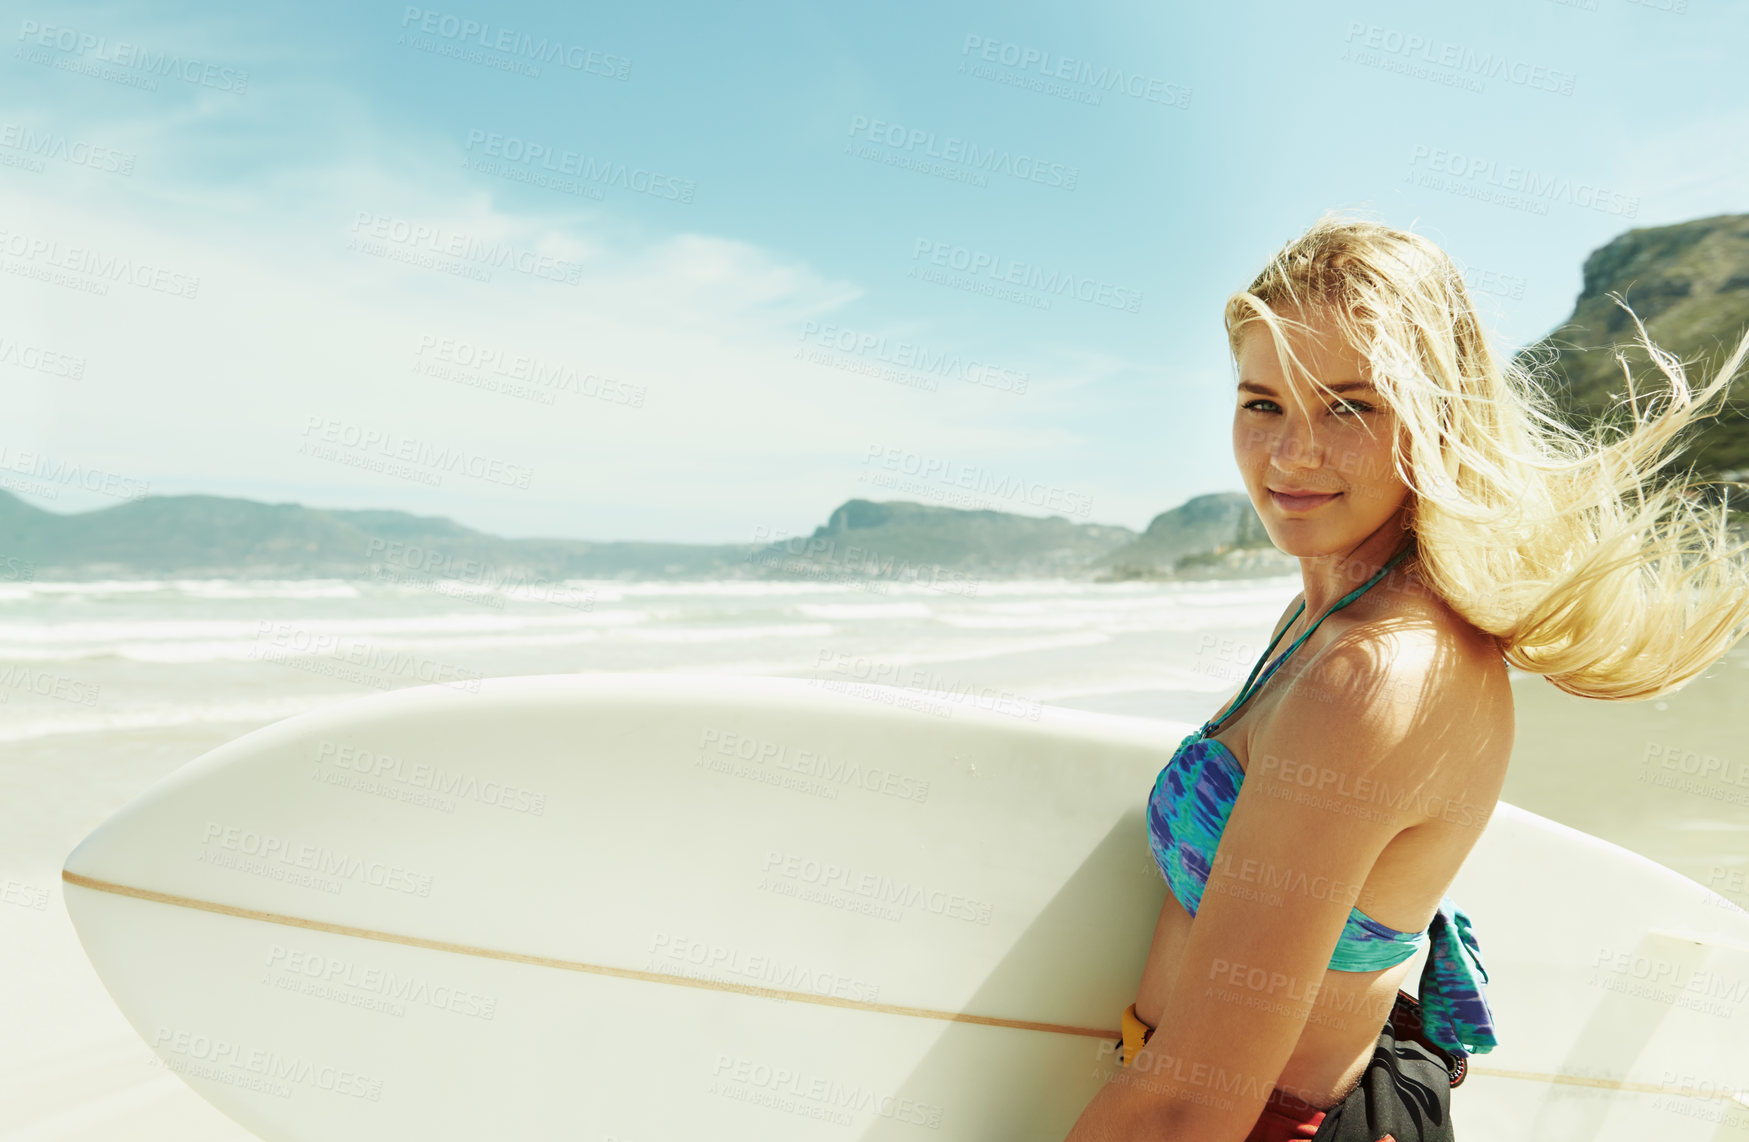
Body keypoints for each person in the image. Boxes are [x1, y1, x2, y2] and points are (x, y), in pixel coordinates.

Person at [1063, 210, 1749, 1142]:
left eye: (1350, 406)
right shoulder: (1324, 612)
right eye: (1262, 402)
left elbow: (1193, 1107)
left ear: (1436, 416)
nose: (1292, 453)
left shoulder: (1372, 676)